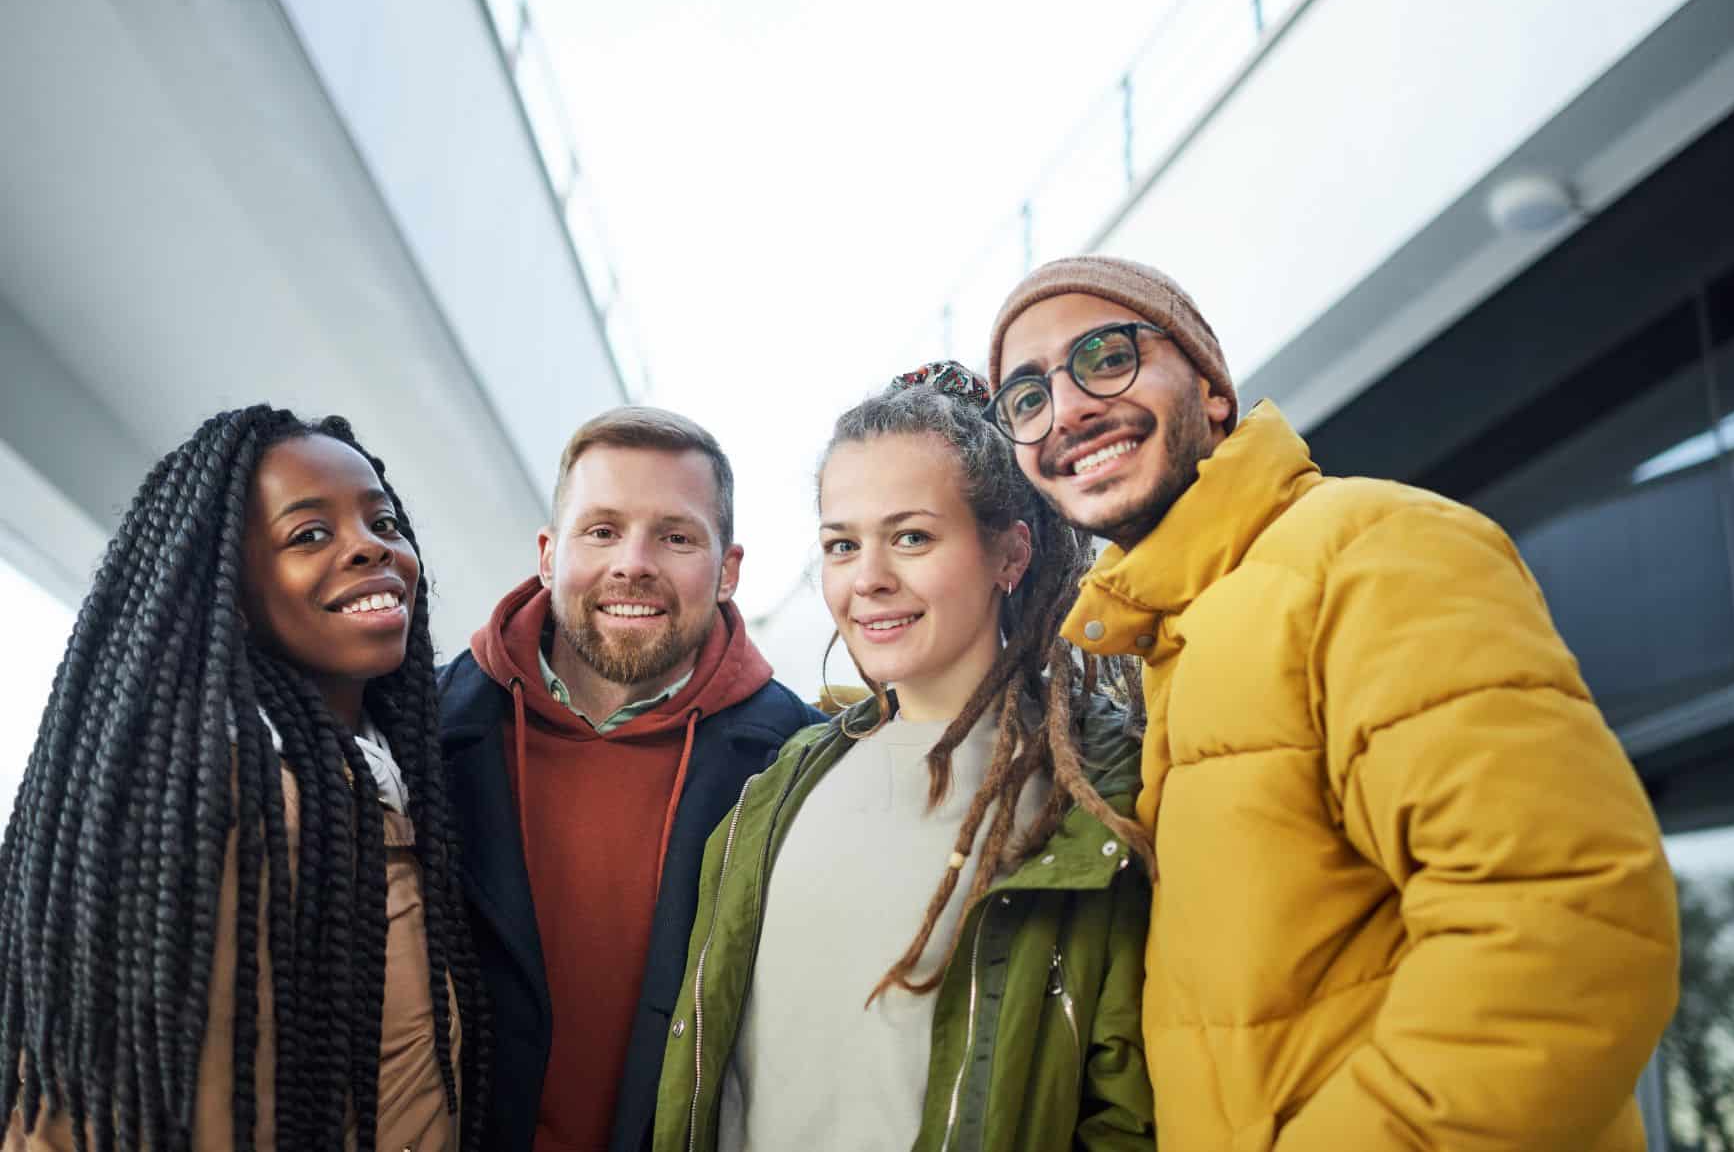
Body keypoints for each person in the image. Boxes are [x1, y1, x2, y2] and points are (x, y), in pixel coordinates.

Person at [984, 255, 1681, 1150]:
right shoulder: (1172, 649)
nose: (1068, 408)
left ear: (1212, 388)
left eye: (1105, 356)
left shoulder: (1373, 551)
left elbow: (1564, 935)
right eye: (1027, 396)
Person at [654, 363, 1155, 1152]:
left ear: (1010, 554)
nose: (870, 580)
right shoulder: (776, 791)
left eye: (912, 537)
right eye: (842, 545)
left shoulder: (1097, 790)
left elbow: (1129, 1108)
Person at [0, 406, 481, 1151]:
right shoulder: (225, 808)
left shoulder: (393, 789)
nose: (371, 550)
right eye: (309, 534)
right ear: (231, 591)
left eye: (384, 524)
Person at [437, 407, 819, 1152]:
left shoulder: (797, 762)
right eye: (602, 530)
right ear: (549, 554)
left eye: (675, 537)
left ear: (728, 570)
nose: (634, 563)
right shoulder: (423, 728)